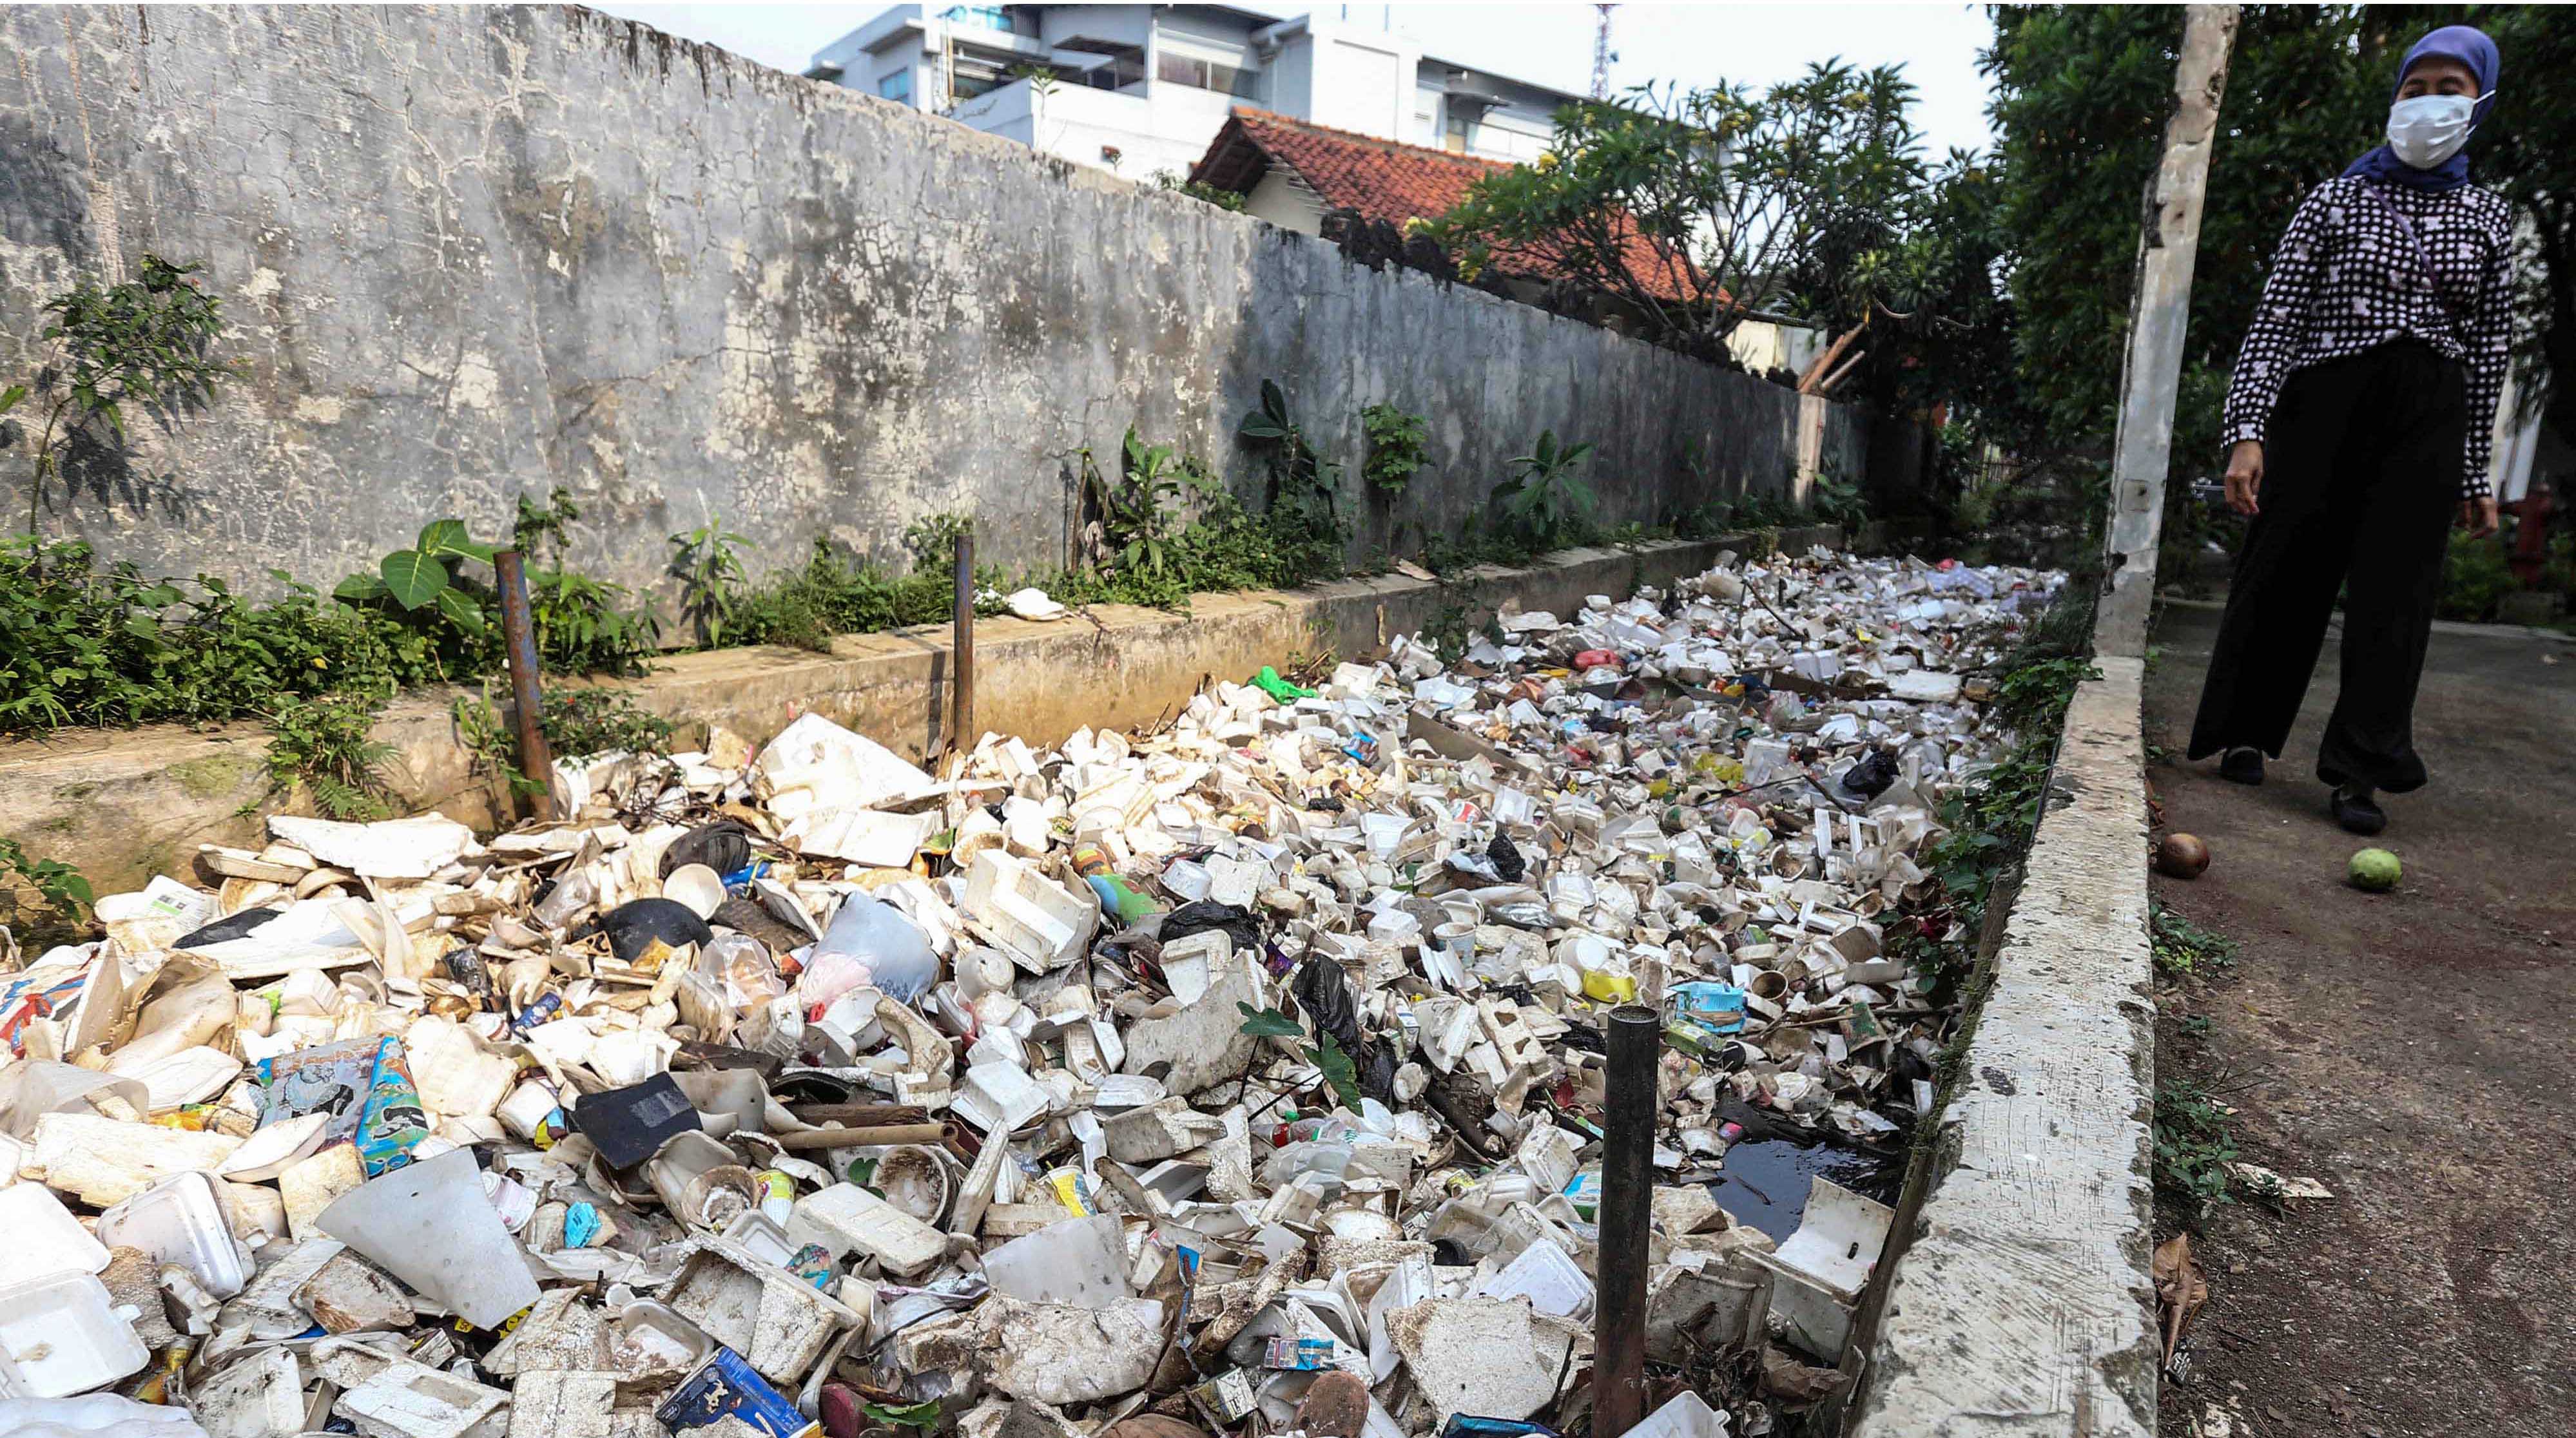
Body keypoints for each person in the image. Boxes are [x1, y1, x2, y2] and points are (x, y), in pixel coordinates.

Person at [2187, 24, 2511, 836]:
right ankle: (2243, 733)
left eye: (2450, 88)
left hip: (2426, 421)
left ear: (2480, 103)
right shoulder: (2334, 199)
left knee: (2394, 598)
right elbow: (2276, 322)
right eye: (2414, 88)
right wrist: (2247, 431)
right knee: (2284, 569)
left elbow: (2490, 354)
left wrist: (2476, 475)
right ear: (2393, 100)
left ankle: (2360, 773)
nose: (2428, 102)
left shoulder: (2488, 218)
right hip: (2322, 405)